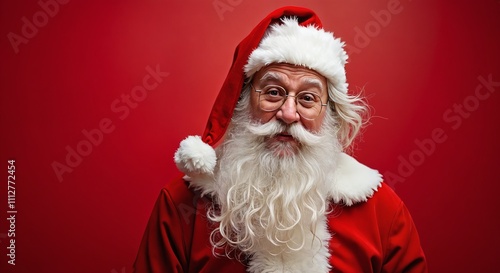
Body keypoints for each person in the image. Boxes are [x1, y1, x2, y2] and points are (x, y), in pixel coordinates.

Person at [133, 6, 427, 273]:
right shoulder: (181, 205)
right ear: (243, 102)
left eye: (308, 98)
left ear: (331, 114)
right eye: (273, 92)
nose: (288, 114)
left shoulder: (382, 212)